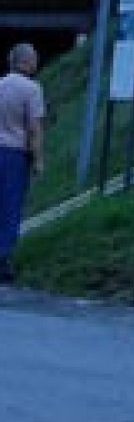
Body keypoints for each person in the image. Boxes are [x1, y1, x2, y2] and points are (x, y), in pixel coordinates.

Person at [0, 43, 47, 283]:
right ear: (25, 62)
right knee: (10, 206)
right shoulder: (32, 89)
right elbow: (34, 128)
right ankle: (3, 259)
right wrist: (38, 159)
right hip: (14, 154)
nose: (36, 63)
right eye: (35, 59)